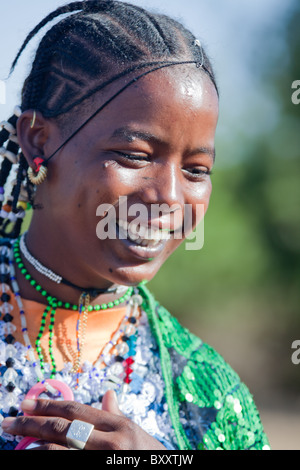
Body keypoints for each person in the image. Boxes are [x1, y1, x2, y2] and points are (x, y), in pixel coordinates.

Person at [0, 0, 270, 450]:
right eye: (135, 156)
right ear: (38, 139)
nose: (168, 197)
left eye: (196, 170)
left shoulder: (213, 394)